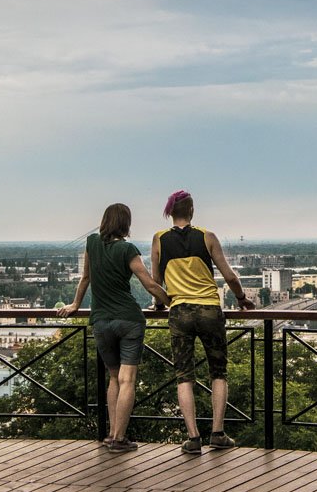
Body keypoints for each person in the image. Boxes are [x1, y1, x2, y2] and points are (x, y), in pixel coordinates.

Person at [58, 203, 170, 452]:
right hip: (128, 320)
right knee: (127, 379)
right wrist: (170, 303)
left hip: (100, 321)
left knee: (113, 377)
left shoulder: (92, 244)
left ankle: (111, 434)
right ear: (125, 224)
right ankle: (120, 439)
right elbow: (150, 284)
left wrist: (76, 303)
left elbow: (85, 277)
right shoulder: (127, 249)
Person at [151, 190, 256, 454]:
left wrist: (161, 304)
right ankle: (217, 433)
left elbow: (155, 281)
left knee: (184, 375)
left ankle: (193, 438)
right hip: (209, 310)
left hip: (180, 312)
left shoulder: (159, 239)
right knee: (218, 372)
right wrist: (242, 298)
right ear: (192, 211)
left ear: (171, 213)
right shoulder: (207, 236)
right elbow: (230, 276)